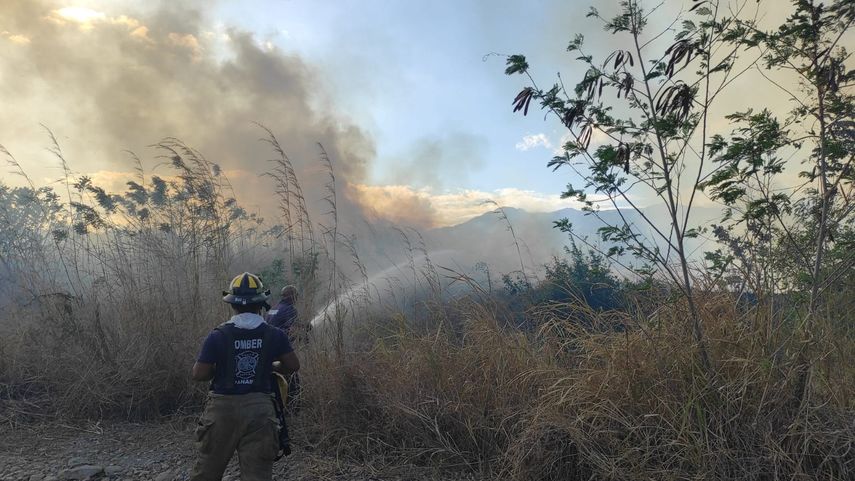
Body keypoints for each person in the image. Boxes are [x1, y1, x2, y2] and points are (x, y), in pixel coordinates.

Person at [190, 272, 300, 481]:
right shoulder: (274, 334)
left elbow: (199, 373)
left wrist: (223, 369)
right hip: (260, 410)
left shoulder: (218, 335)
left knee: (206, 473)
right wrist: (271, 366)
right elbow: (293, 365)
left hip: (221, 411)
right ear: (261, 303)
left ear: (232, 304)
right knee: (257, 475)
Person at [265, 285, 303, 413]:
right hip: (280, 349)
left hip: (267, 348)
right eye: (296, 296)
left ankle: (277, 405)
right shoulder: (290, 309)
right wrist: (304, 332)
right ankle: (293, 407)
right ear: (292, 296)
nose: (297, 298)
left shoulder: (273, 309)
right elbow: (292, 330)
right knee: (292, 376)